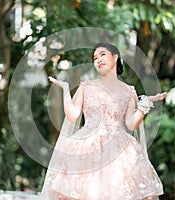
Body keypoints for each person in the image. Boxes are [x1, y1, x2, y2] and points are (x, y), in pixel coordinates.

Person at [39, 42, 166, 200]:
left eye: (102, 54)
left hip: (119, 150)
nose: (98, 59)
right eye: (95, 57)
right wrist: (66, 89)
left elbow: (131, 124)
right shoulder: (86, 87)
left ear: (115, 57)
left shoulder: (129, 91)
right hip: (86, 146)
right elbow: (72, 115)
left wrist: (145, 104)